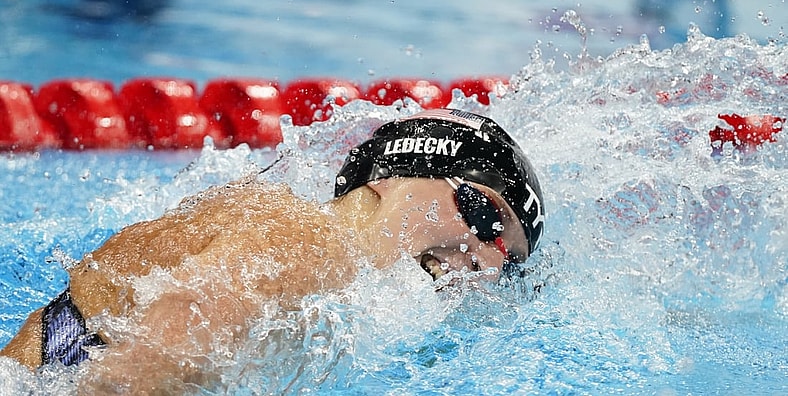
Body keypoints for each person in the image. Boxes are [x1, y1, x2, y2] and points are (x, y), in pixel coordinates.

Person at [0, 108, 544, 390]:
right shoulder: (304, 242)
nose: (488, 260)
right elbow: (134, 375)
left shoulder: (317, 260)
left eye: (510, 262)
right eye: (481, 215)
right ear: (390, 180)